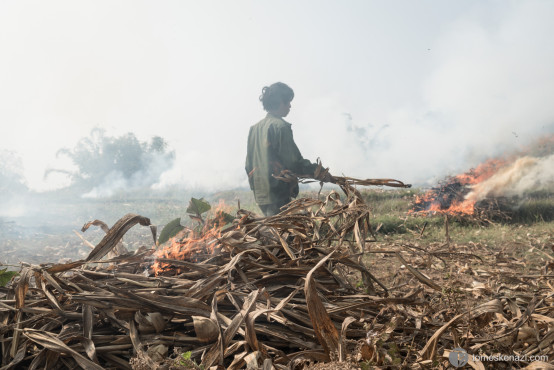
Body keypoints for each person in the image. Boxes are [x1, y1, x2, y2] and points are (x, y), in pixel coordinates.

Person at [245, 82, 331, 216]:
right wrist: (318, 171)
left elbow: (248, 165)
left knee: (274, 231)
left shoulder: (254, 128)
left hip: (261, 194)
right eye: (288, 102)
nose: (290, 106)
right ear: (280, 102)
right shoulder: (280, 127)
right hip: (278, 193)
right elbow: (293, 162)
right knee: (288, 232)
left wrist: (256, 187)